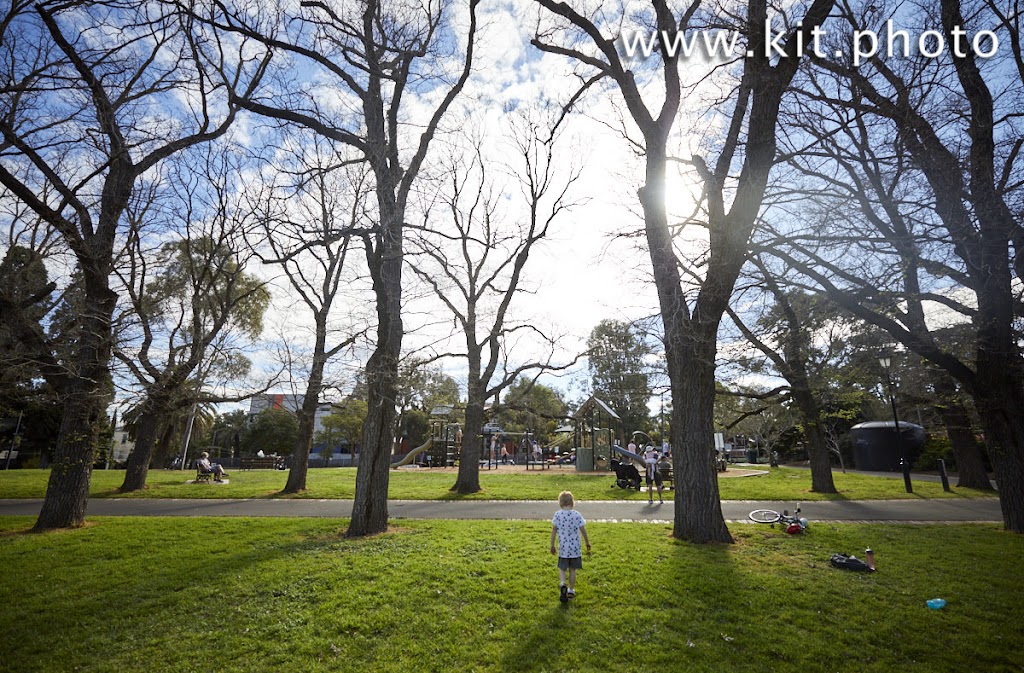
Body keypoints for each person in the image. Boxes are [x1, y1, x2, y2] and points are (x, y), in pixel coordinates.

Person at [550, 490, 590, 602]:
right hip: (575, 549)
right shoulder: (577, 515)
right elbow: (583, 530)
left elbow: (554, 531)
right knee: (572, 569)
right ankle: (571, 590)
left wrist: (552, 545)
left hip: (563, 548)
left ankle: (562, 583)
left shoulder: (558, 515)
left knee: (562, 568)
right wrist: (587, 542)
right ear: (572, 502)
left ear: (560, 503)